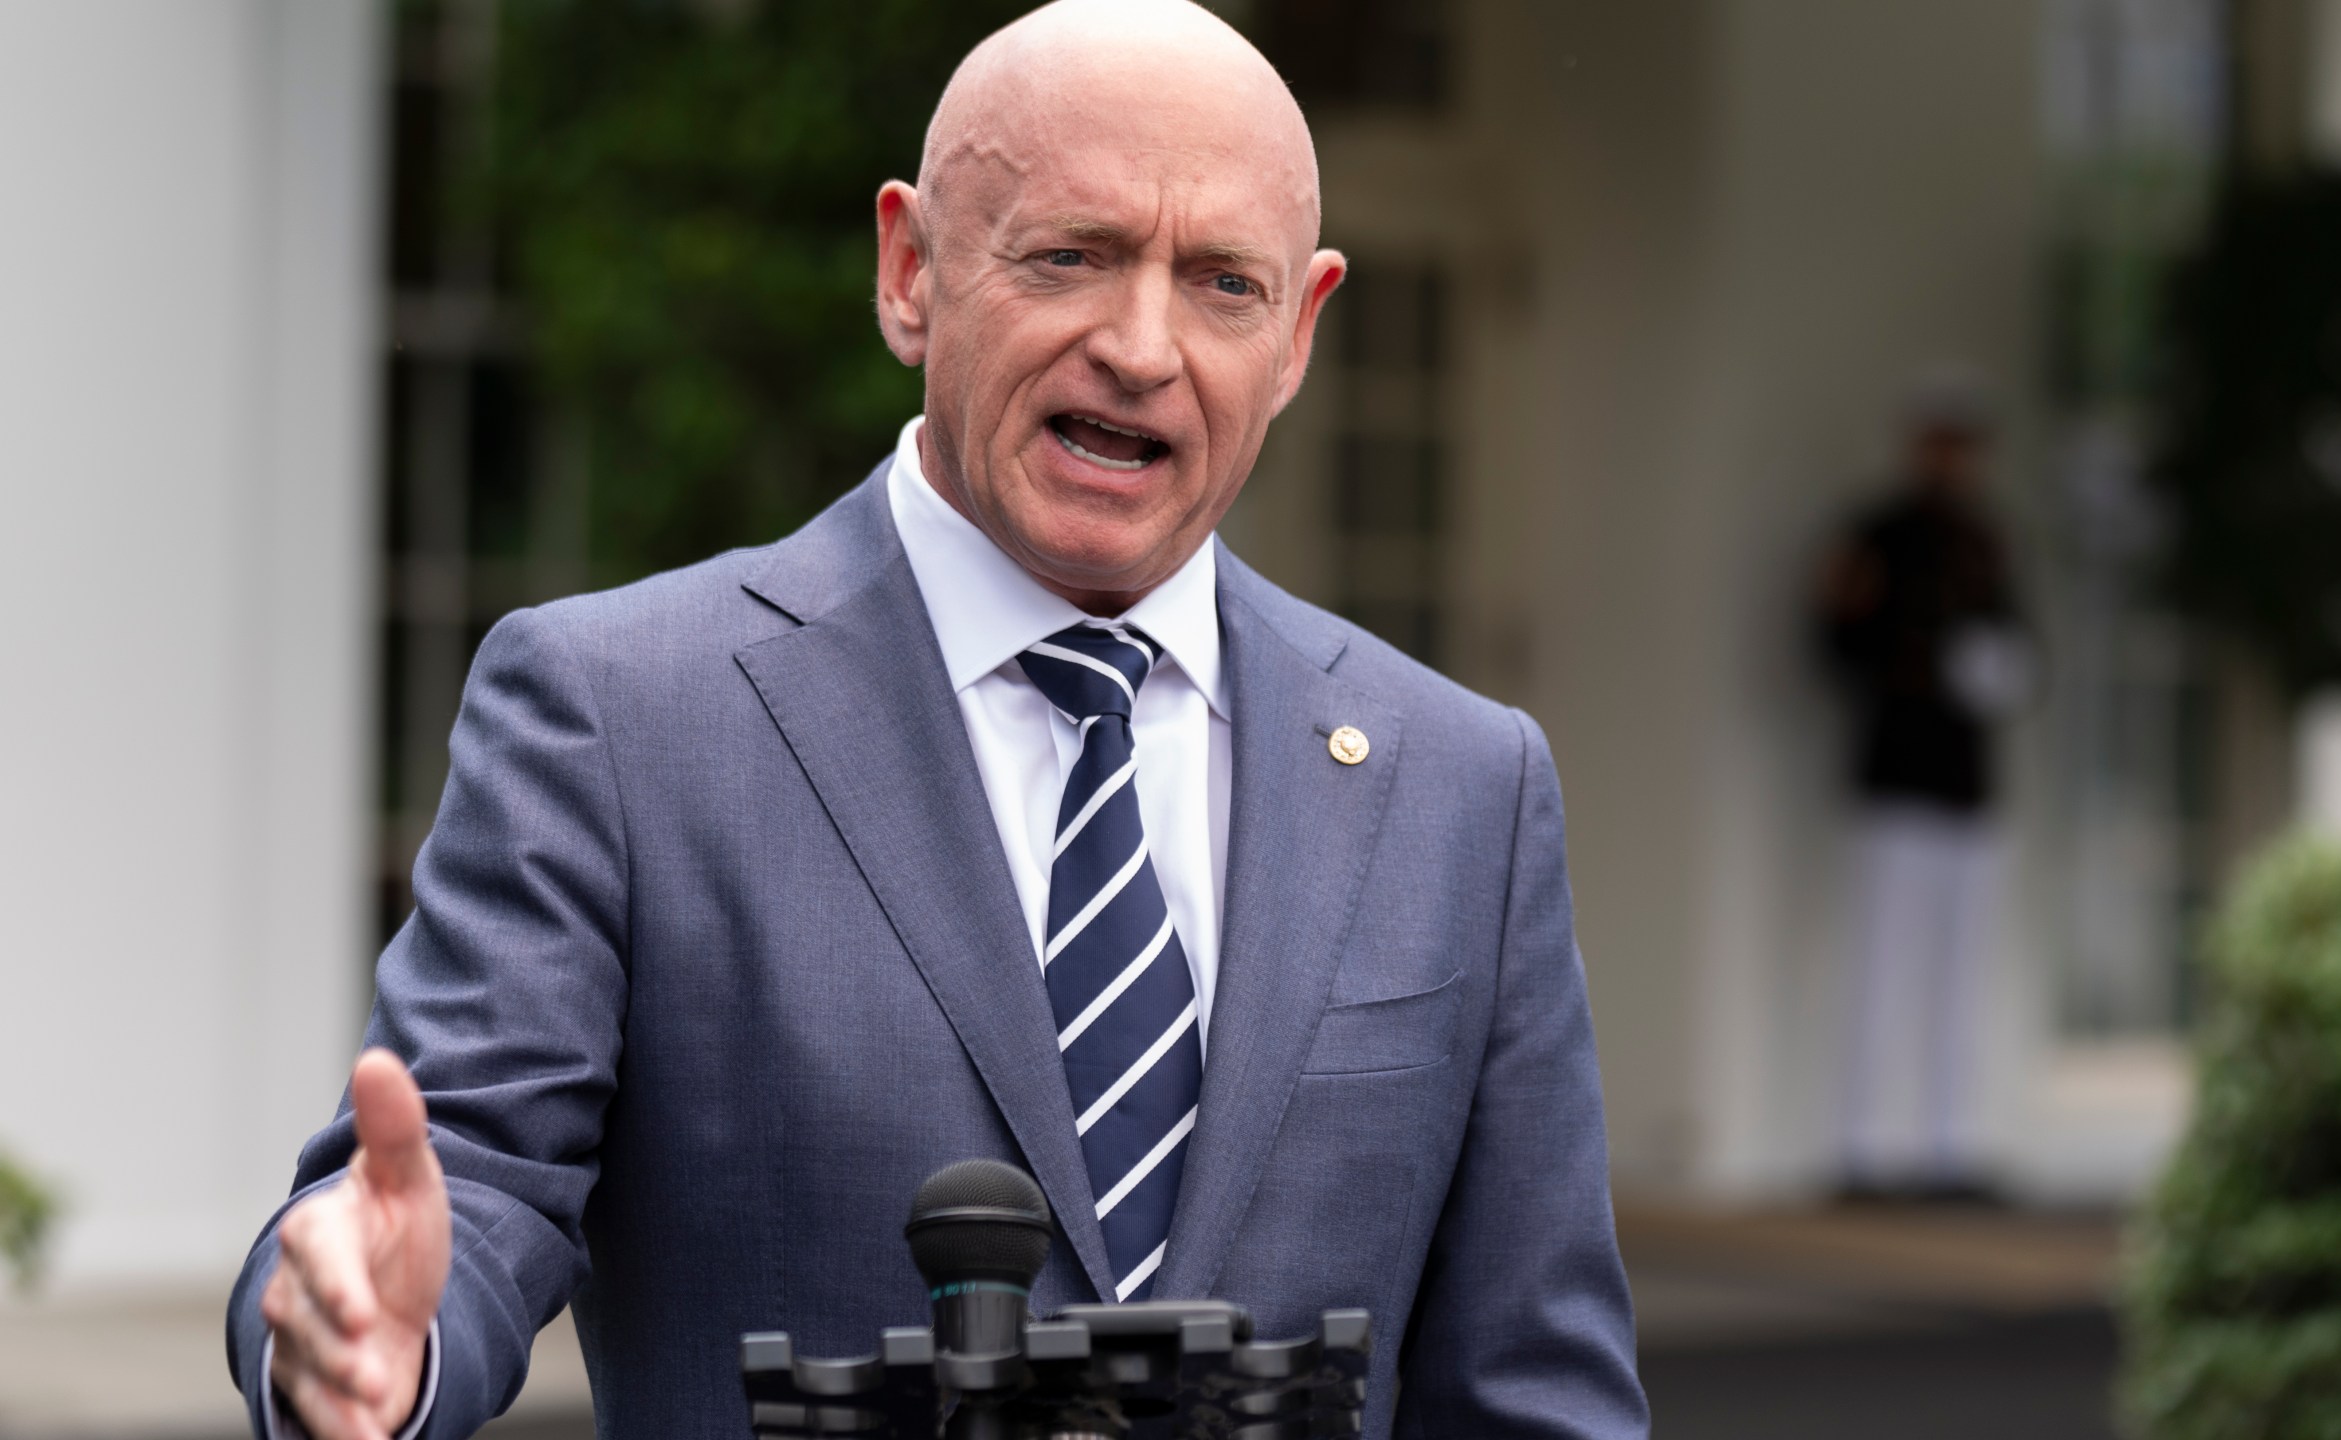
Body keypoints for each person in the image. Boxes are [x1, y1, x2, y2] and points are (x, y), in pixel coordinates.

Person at [224, 4, 1647, 1438]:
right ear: (911, 272)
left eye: (1222, 282)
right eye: (1071, 256)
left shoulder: (1462, 785)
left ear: (1298, 333)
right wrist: (369, 1340)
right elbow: (458, 1185)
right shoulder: (618, 717)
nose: (1142, 347)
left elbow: (1538, 1392)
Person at [1814, 372, 2032, 1204]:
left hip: (1967, 785)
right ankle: (1865, 1146)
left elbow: (2018, 641)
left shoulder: (1988, 539)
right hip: (1895, 777)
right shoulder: (1877, 536)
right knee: (1883, 963)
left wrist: (2002, 674)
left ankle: (1951, 1144)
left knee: (1961, 969)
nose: (1955, 457)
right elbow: (1835, 643)